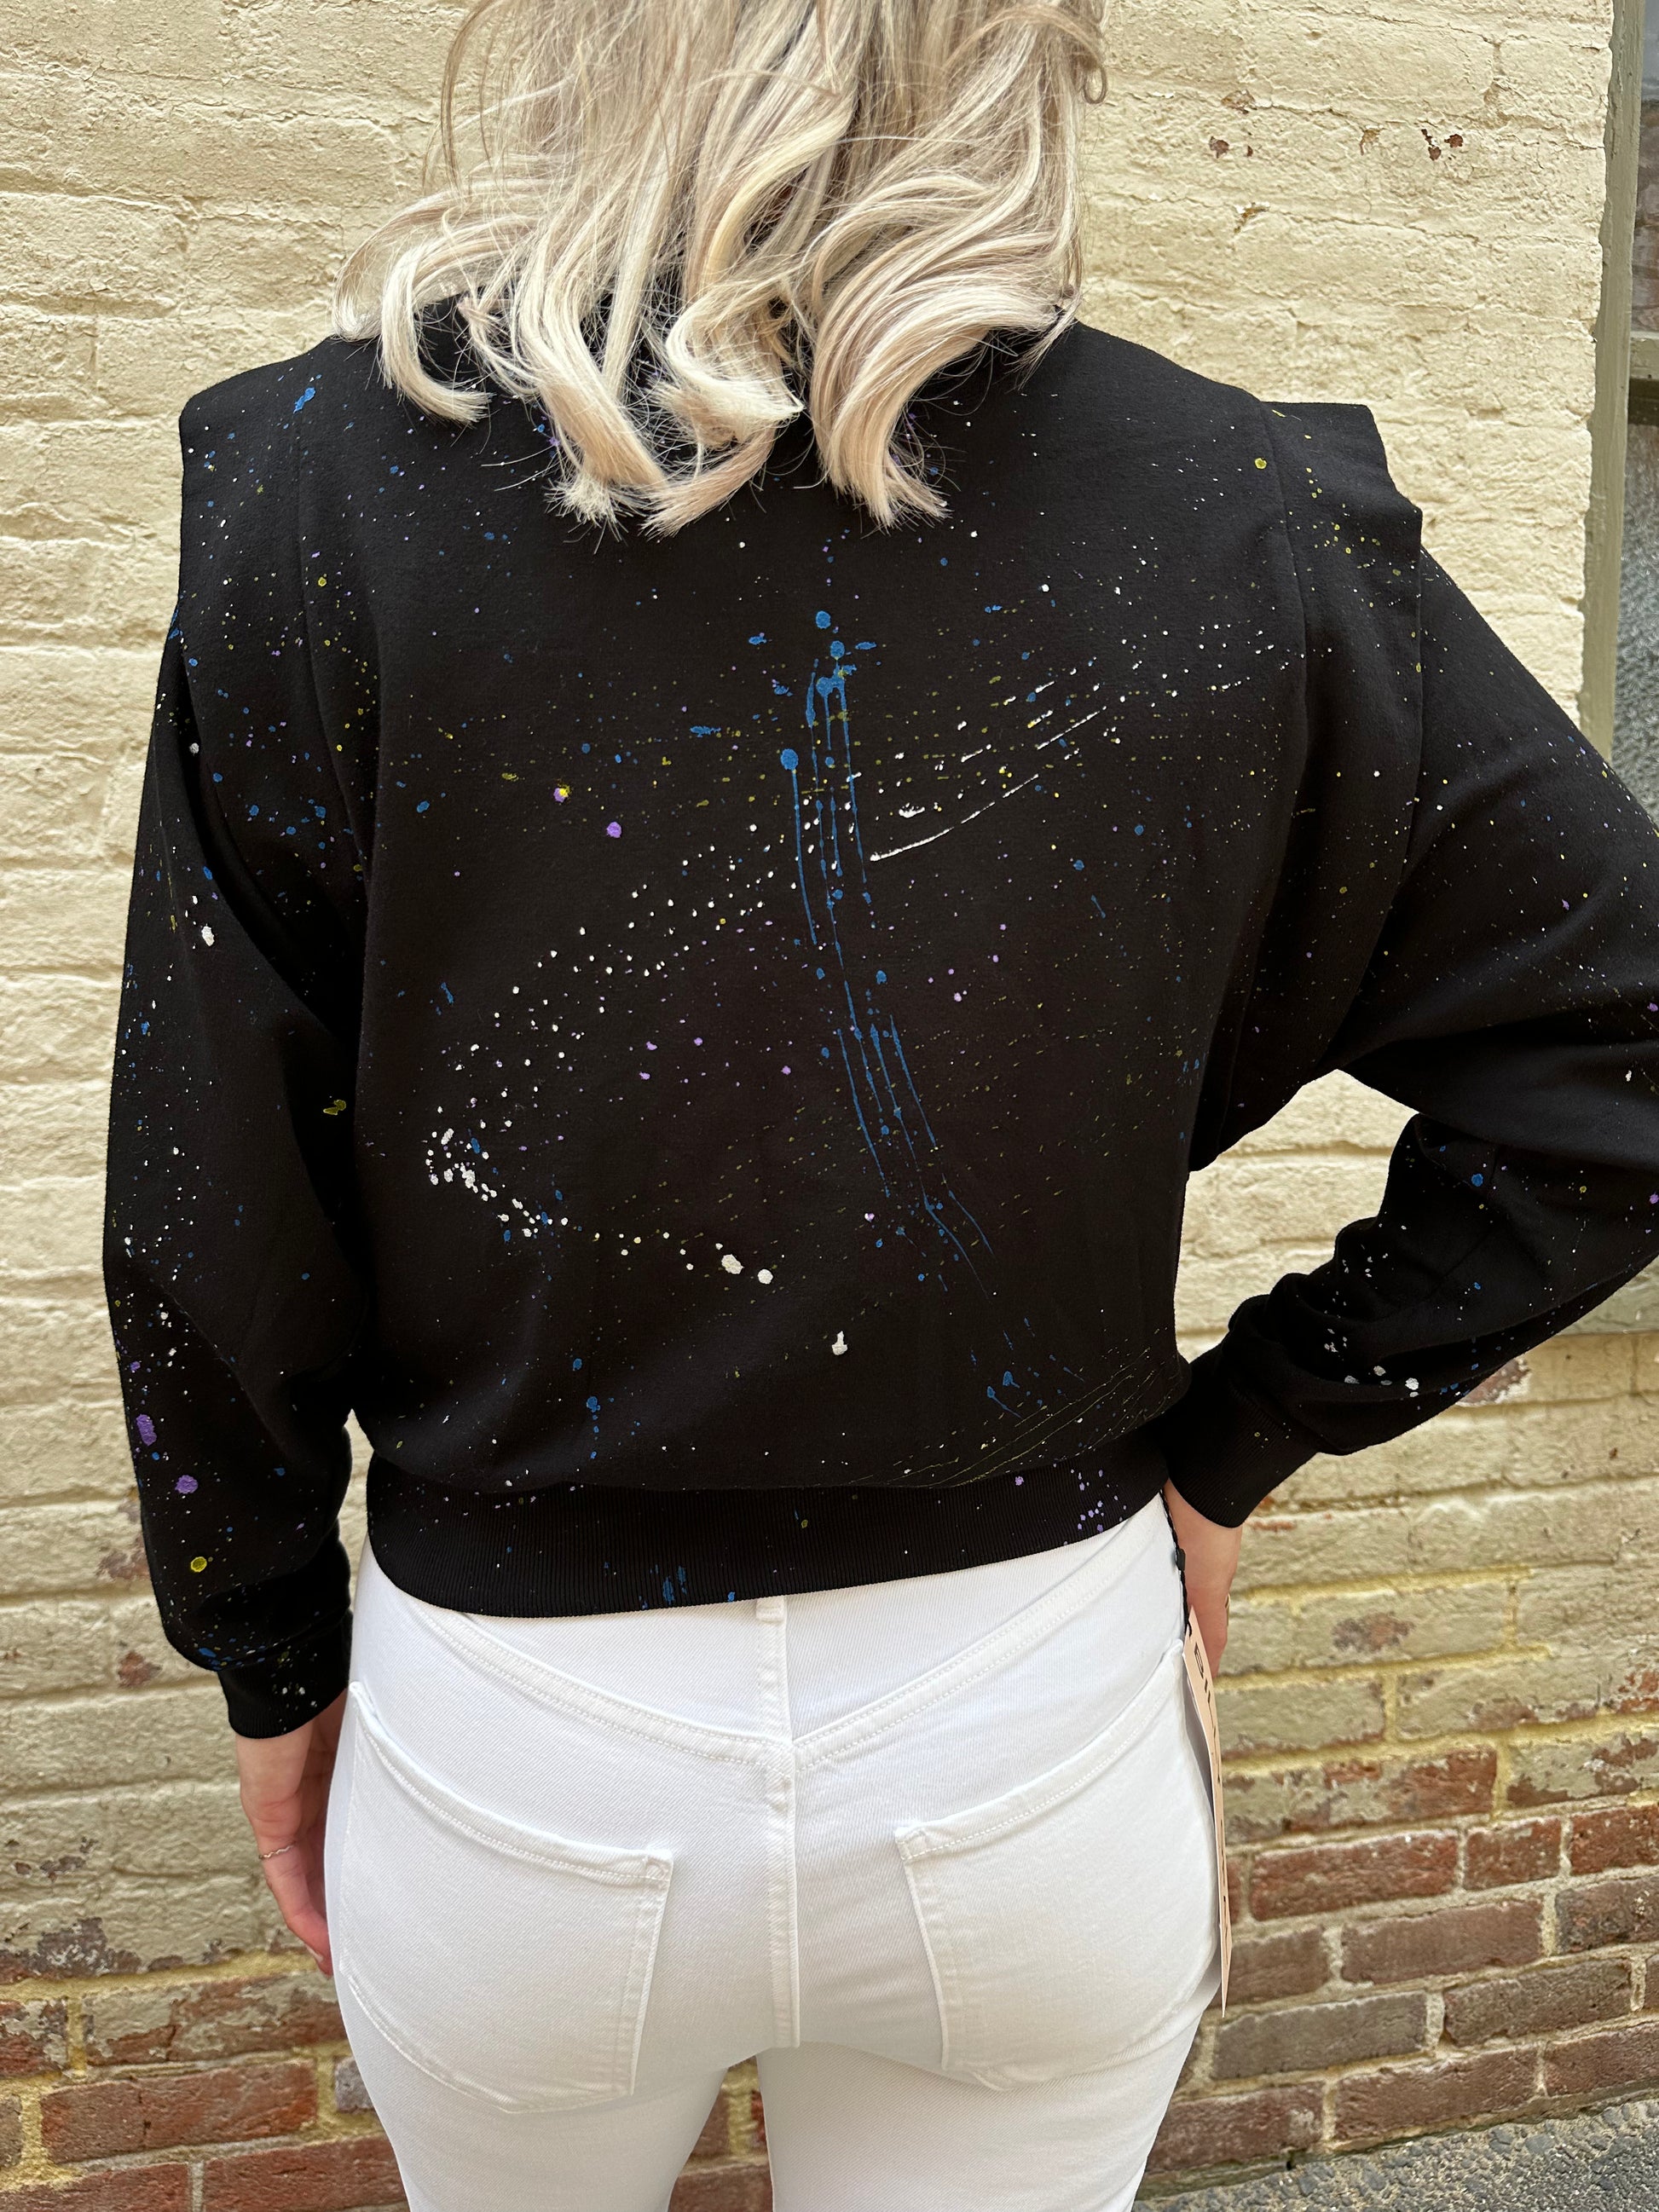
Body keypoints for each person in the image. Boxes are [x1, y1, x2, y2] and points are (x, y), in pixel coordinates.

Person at [102, 3, 1659, 2207]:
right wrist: (1249, 1429)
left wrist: (269, 1658)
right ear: (1026, 57)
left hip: (521, 1749)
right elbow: (1624, 1052)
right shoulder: (1241, 513)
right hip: (1030, 1709)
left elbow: (211, 1195)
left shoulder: (319, 495)